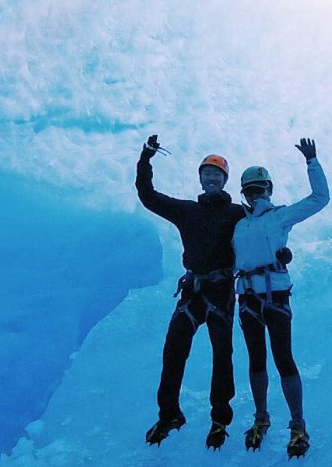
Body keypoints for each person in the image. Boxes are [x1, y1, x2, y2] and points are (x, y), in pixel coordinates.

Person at [136, 135, 244, 450]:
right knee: (173, 352)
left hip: (221, 289)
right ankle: (169, 414)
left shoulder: (238, 213)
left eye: (217, 174)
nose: (211, 178)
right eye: (207, 173)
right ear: (200, 178)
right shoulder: (187, 211)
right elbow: (148, 195)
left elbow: (265, 228)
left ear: (225, 181)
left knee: (223, 356)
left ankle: (220, 420)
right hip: (194, 290)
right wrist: (146, 159)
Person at [232, 138, 330, 458]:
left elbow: (319, 198)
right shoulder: (237, 226)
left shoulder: (279, 217)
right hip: (248, 298)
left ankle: (297, 423)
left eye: (260, 189)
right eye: (251, 190)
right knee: (257, 360)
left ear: (269, 189)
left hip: (272, 296)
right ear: (245, 194)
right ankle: (262, 417)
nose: (256, 194)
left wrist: (312, 162)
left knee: (283, 359)